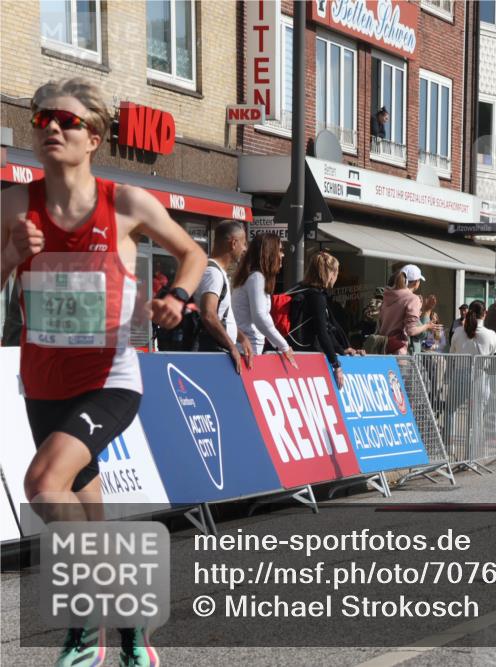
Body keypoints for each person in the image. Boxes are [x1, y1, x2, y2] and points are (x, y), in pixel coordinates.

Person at [2, 77, 207, 667]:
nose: (51, 128)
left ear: (93, 137)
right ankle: (131, 627)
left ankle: (85, 621)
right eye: (41, 119)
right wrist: (11, 255)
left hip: (109, 380)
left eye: (65, 121)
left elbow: (192, 253)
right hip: (43, 383)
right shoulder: (14, 205)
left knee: (44, 485)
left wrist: (179, 297)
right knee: (89, 518)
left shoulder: (125, 203)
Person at [287, 251, 359, 387]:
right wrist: (336, 364)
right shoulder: (317, 297)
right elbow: (322, 332)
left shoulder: (301, 289)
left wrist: (341, 350)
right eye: (336, 272)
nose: (336, 277)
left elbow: (325, 329)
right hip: (309, 356)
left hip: (295, 351)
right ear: (330, 273)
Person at [194, 221, 254, 373]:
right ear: (234, 243)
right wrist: (232, 346)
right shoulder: (213, 273)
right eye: (243, 243)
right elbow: (209, 314)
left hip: (218, 351)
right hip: (215, 353)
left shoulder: (216, 272)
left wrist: (241, 337)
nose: (245, 249)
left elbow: (220, 316)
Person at [232, 233, 295, 365]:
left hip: (247, 346)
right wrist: (283, 345)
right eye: (280, 250)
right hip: (247, 349)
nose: (282, 255)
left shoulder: (252, 277)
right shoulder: (257, 278)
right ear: (269, 252)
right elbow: (260, 317)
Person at [378, 264, 440, 354]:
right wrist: (427, 325)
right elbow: (411, 330)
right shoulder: (412, 299)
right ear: (416, 282)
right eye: (419, 280)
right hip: (400, 352)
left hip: (383, 349)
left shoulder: (387, 296)